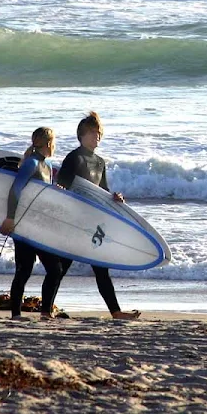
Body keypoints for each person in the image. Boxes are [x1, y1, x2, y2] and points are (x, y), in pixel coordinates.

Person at [51, 111, 141, 320]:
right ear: (81, 135)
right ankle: (46, 310)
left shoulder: (100, 162)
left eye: (99, 133)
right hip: (75, 221)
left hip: (93, 222)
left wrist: (115, 197)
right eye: (93, 133)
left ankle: (116, 312)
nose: (97, 137)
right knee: (61, 268)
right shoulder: (74, 158)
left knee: (100, 267)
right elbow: (60, 187)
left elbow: (102, 192)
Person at [0, 126, 66, 320]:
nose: (55, 146)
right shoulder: (32, 163)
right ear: (48, 143)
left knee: (54, 269)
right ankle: (16, 315)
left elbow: (41, 195)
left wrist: (56, 190)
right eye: (54, 142)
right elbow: (15, 189)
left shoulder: (47, 166)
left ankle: (45, 312)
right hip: (24, 227)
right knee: (25, 269)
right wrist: (10, 217)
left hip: (39, 226)